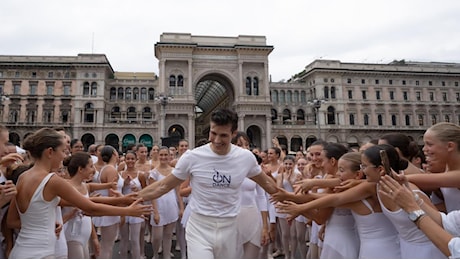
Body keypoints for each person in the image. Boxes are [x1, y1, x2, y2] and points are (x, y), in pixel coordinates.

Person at [138, 108, 279, 258]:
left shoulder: (246, 158)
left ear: (234, 133)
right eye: (213, 133)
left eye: (223, 135)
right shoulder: (193, 157)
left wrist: (292, 200)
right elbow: (163, 186)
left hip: (230, 228)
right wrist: (132, 199)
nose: (217, 140)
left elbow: (268, 186)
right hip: (200, 227)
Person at [6, 128, 151, 259]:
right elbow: (89, 207)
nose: (65, 157)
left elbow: (11, 221)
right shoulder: (52, 180)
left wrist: (123, 200)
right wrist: (128, 210)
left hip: (21, 251)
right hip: (41, 253)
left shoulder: (22, 177)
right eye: (63, 151)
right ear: (50, 152)